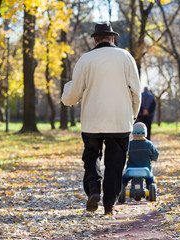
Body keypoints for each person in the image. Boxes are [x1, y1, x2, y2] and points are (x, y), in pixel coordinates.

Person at [61, 22, 141, 215]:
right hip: (119, 120)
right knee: (115, 163)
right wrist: (133, 114)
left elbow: (74, 94)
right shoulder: (125, 57)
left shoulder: (85, 60)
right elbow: (136, 91)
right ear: (112, 38)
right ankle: (109, 205)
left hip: (92, 121)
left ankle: (94, 190)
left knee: (91, 158)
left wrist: (66, 94)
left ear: (95, 39)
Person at [122, 122, 159, 188]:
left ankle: (121, 190)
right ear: (145, 133)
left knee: (123, 180)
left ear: (133, 133)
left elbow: (123, 155)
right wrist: (153, 158)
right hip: (145, 170)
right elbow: (156, 155)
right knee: (150, 180)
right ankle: (150, 189)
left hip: (131, 171)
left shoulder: (129, 145)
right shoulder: (149, 144)